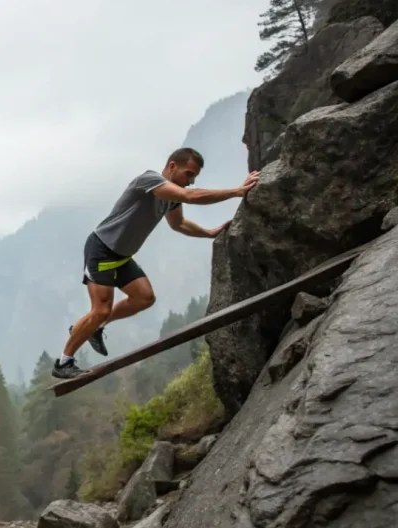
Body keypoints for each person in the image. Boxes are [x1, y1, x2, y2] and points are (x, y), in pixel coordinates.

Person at [52, 147, 260, 379]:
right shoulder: (149, 180)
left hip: (121, 257)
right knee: (100, 310)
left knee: (144, 298)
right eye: (189, 174)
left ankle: (89, 327)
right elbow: (190, 197)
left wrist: (210, 233)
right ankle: (63, 363)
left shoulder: (170, 198)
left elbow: (179, 224)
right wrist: (237, 192)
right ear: (172, 166)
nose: (190, 182)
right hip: (101, 251)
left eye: (194, 178)